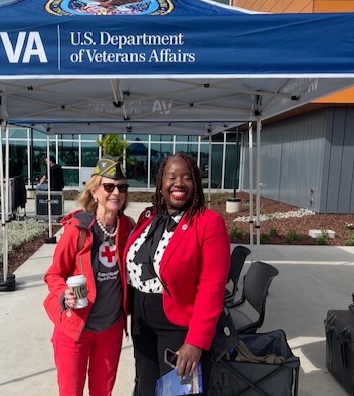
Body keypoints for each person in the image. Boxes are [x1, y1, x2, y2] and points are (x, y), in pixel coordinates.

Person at [124, 152, 230, 396]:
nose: (178, 183)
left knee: (177, 391)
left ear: (196, 184)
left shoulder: (208, 223)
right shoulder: (148, 217)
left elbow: (212, 286)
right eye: (171, 177)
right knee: (145, 384)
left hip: (177, 322)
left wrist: (196, 341)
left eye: (186, 177)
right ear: (161, 184)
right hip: (140, 316)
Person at [43, 155, 135, 396]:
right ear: (94, 191)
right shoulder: (78, 230)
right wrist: (65, 293)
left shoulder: (128, 228)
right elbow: (53, 274)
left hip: (110, 329)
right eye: (108, 186)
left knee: (102, 392)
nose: (116, 192)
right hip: (76, 329)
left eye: (121, 187)